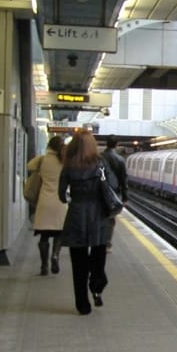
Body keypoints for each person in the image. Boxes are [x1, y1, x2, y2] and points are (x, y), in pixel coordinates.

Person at [58, 130, 117, 314]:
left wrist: (73, 198)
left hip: (76, 215)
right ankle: (97, 285)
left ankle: (82, 304)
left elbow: (61, 195)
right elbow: (111, 187)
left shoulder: (68, 166)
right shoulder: (101, 164)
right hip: (98, 217)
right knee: (98, 257)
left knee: (78, 264)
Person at [27, 137, 67, 275]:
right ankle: (55, 255)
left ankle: (44, 266)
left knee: (44, 236)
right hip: (60, 202)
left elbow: (29, 166)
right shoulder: (64, 161)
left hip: (45, 201)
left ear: (49, 146)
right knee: (59, 234)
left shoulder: (42, 159)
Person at [101, 135, 128, 252]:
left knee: (100, 216)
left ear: (106, 144)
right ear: (117, 145)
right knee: (111, 217)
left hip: (100, 190)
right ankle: (107, 243)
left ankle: (99, 240)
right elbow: (123, 180)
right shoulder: (120, 160)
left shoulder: (99, 157)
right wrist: (125, 197)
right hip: (114, 193)